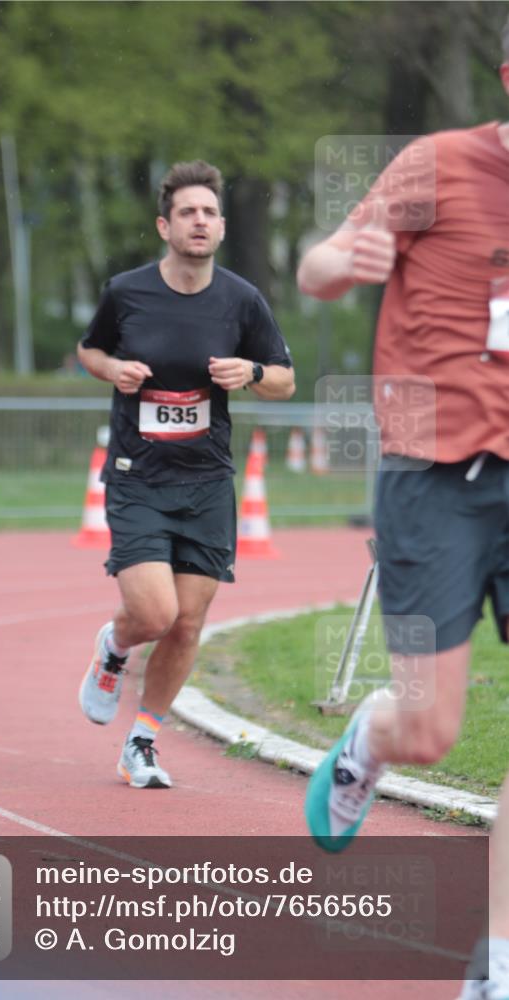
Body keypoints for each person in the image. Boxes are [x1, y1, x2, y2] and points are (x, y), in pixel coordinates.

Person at [297, 21, 509, 1000]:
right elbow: (316, 264)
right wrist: (348, 261)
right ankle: (366, 743)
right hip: (434, 473)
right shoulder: (436, 165)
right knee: (429, 726)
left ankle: (496, 961)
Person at [77, 160, 295, 789]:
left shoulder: (241, 299)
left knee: (190, 623)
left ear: (221, 227)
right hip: (138, 474)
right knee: (153, 613)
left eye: (208, 213)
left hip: (205, 481)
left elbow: (284, 379)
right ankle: (115, 647)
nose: (199, 221)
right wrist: (111, 369)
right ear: (164, 226)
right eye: (186, 213)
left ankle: (141, 741)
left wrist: (250, 375)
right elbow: (90, 349)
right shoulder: (127, 291)